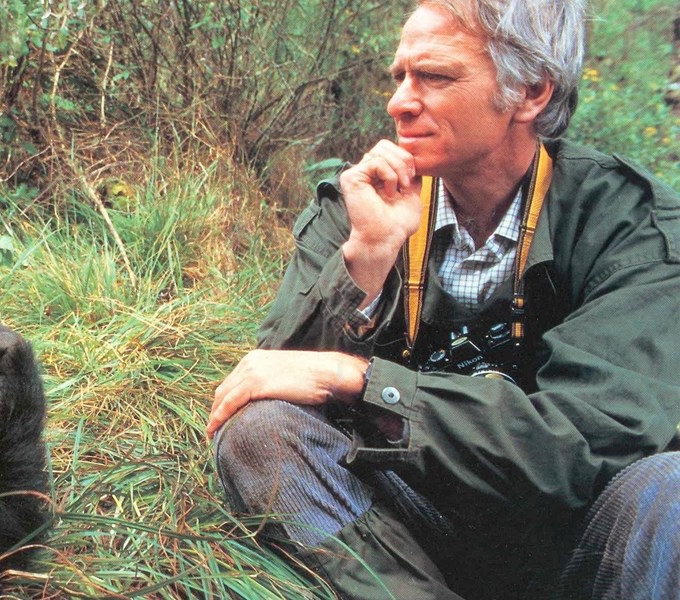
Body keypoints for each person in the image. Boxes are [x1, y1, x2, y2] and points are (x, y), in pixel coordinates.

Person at [208, 1, 680, 598]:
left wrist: (360, 377)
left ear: (531, 92)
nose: (399, 101)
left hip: (579, 535)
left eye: (435, 76)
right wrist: (367, 259)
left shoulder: (630, 222)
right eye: (400, 76)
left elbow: (582, 445)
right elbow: (267, 381)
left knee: (672, 488)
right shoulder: (359, 206)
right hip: (406, 526)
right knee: (260, 432)